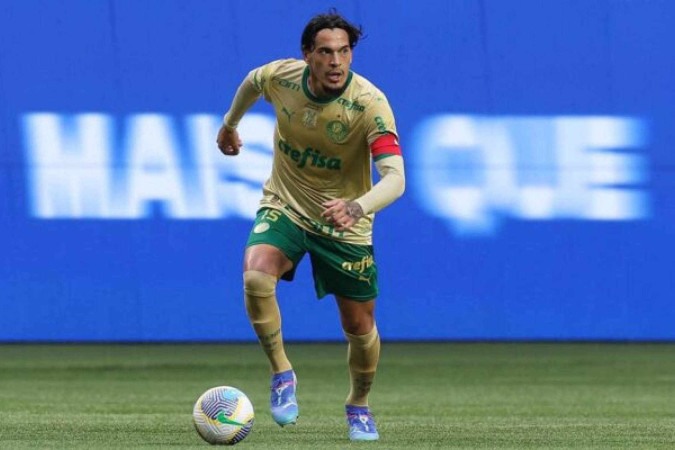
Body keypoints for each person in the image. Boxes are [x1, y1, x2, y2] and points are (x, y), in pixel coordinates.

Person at [216, 9, 405, 442]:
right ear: (308, 56)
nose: (336, 62)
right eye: (325, 52)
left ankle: (359, 404)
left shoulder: (370, 105)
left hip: (345, 224)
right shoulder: (282, 77)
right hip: (286, 204)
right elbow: (252, 81)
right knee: (256, 272)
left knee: (359, 327)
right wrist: (230, 124)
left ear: (351, 56)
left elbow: (395, 178)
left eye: (343, 52)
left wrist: (357, 207)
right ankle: (282, 373)